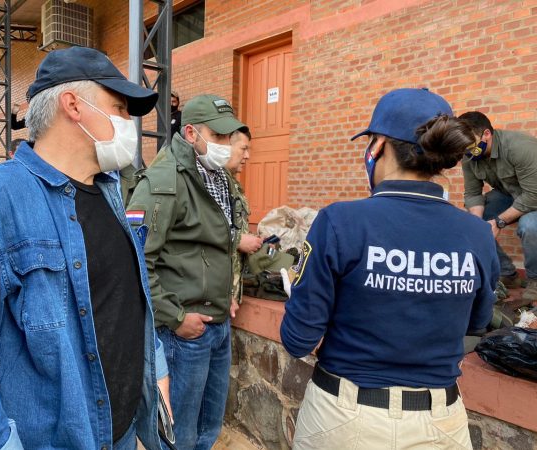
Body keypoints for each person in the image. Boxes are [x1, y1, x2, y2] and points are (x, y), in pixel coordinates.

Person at [0, 46, 170, 450]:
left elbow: (124, 305)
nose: (129, 123)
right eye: (119, 107)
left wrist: (155, 383)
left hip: (122, 434)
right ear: (73, 105)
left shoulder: (111, 193)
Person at [280, 88, 499, 450]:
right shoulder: (477, 233)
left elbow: (298, 338)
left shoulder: (339, 221)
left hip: (343, 418)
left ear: (378, 145)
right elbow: (476, 324)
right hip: (440, 423)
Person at [127, 94, 247, 450]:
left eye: (230, 138)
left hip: (217, 324)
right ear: (191, 132)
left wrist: (228, 295)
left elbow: (217, 245)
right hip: (185, 333)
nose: (226, 145)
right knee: (179, 436)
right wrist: (176, 317)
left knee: (209, 426)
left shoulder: (218, 177)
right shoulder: (164, 181)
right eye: (220, 136)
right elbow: (136, 258)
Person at [460, 111, 537, 302]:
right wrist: (478, 225)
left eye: (471, 145)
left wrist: (499, 221)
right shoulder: (469, 155)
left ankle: (535, 280)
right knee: (469, 222)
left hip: (534, 194)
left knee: (530, 226)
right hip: (510, 194)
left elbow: (532, 195)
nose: (468, 151)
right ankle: (507, 273)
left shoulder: (520, 147)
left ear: (487, 134)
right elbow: (472, 193)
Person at [225, 129, 263, 315]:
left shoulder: (232, 184)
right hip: (212, 299)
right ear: (226, 145)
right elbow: (200, 230)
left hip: (228, 295)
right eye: (243, 148)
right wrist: (238, 240)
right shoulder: (208, 183)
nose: (247, 156)